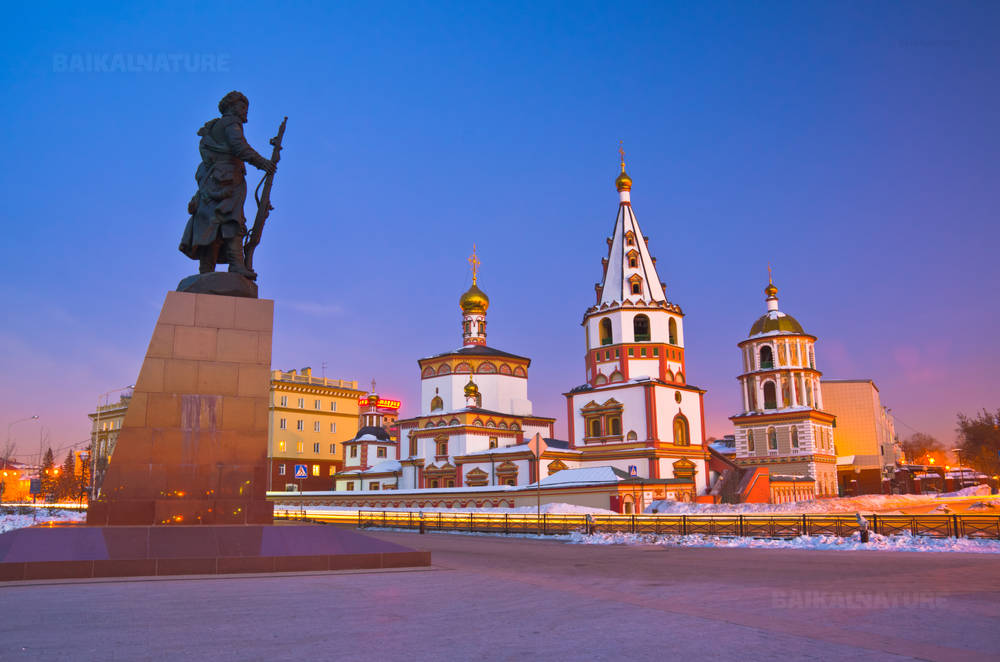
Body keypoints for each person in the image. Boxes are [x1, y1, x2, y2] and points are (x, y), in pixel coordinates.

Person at [179, 91, 275, 280]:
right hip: (228, 180)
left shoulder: (215, 126)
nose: (245, 112)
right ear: (231, 107)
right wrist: (263, 163)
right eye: (242, 107)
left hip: (214, 180)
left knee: (212, 223)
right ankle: (236, 264)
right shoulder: (231, 123)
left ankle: (206, 271)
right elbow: (239, 147)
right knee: (232, 220)